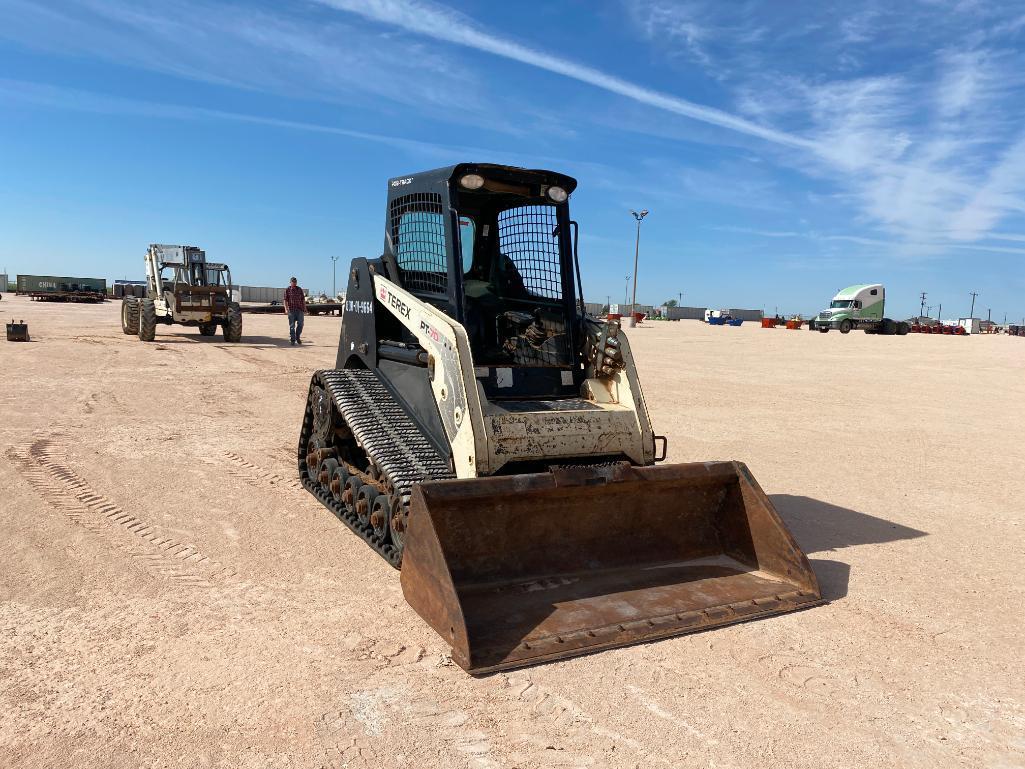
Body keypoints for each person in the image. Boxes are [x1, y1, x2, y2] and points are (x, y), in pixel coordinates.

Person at [283, 276, 306, 345]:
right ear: (290, 282)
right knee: (292, 326)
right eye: (293, 282)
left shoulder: (299, 289)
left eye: (295, 282)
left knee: (301, 324)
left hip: (300, 310)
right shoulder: (287, 290)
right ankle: (293, 340)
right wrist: (286, 309)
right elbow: (285, 300)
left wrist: (305, 308)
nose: (294, 283)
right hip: (291, 310)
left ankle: (297, 337)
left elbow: (303, 299)